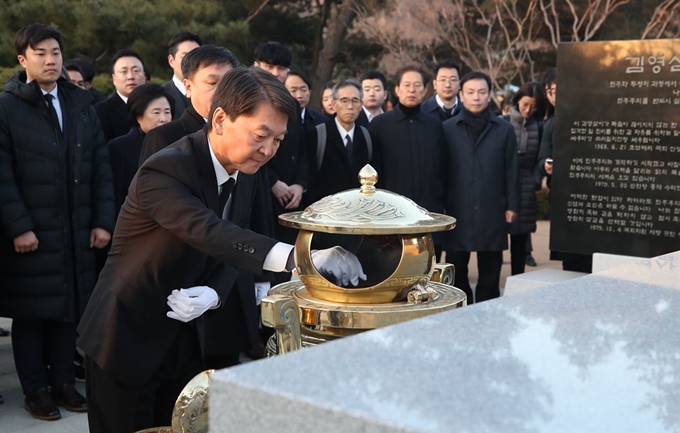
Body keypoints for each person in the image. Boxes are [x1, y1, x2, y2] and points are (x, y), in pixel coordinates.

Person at [77, 67, 365, 433]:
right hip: (126, 336)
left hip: (186, 335)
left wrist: (214, 292)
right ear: (220, 119)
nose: (268, 150)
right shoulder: (165, 169)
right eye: (261, 135)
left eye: (278, 140)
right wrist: (299, 259)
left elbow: (236, 242)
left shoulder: (246, 169)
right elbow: (210, 231)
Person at [0, 23, 115, 421]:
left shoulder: (81, 103)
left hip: (76, 228)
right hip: (32, 232)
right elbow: (2, 173)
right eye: (40, 53)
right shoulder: (8, 107)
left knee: (70, 308)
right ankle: (36, 389)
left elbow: (100, 164)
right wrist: (18, 226)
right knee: (32, 313)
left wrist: (103, 221)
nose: (50, 60)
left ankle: (64, 381)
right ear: (23, 60)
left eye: (55, 53)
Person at [443, 71, 519, 304]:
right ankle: (461, 313)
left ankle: (488, 314)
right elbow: (441, 170)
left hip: (492, 207)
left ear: (489, 96)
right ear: (461, 96)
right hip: (457, 208)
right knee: (457, 270)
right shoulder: (447, 128)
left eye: (482, 92)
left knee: (490, 271)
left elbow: (512, 170)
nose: (476, 97)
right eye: (471, 92)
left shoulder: (504, 129)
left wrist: (512, 205)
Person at [369, 65, 446, 258]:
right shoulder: (380, 125)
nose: (412, 90)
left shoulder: (436, 125)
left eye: (417, 85)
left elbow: (443, 169)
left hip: (429, 212)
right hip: (391, 214)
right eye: (407, 85)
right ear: (397, 89)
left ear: (425, 90)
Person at [139, 45, 238, 164]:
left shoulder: (243, 133)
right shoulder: (163, 138)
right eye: (212, 83)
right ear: (188, 87)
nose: (222, 90)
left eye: (228, 83)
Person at [537, 68, 593, 273]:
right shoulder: (550, 124)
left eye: (559, 89)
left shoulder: (592, 116)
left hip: (590, 198)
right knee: (570, 261)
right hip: (562, 199)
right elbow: (541, 158)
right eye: (550, 91)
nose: (554, 95)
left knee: (592, 258)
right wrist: (546, 165)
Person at [253, 42, 309, 246]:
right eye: (270, 67)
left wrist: (299, 184)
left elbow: (302, 147)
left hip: (291, 196)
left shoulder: (291, 103)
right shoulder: (246, 99)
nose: (276, 73)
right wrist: (273, 182)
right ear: (256, 66)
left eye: (282, 68)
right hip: (258, 189)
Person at [107, 84, 174, 220]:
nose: (164, 118)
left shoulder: (177, 145)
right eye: (156, 112)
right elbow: (115, 193)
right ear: (139, 116)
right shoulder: (119, 147)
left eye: (167, 112)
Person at [503, 82, 547, 275]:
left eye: (534, 106)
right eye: (525, 104)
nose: (528, 110)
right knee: (497, 238)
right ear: (517, 100)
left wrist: (537, 178)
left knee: (520, 241)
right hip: (503, 186)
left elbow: (541, 157)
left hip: (527, 186)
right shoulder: (503, 122)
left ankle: (516, 278)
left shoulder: (539, 126)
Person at [95, 49, 146, 141]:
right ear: (114, 79)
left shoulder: (156, 106)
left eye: (135, 71)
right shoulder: (101, 112)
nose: (130, 77)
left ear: (145, 76)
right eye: (124, 72)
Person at [163, 31, 202, 119]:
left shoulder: (212, 93)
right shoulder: (160, 95)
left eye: (196, 56)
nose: (191, 61)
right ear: (171, 61)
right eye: (185, 56)